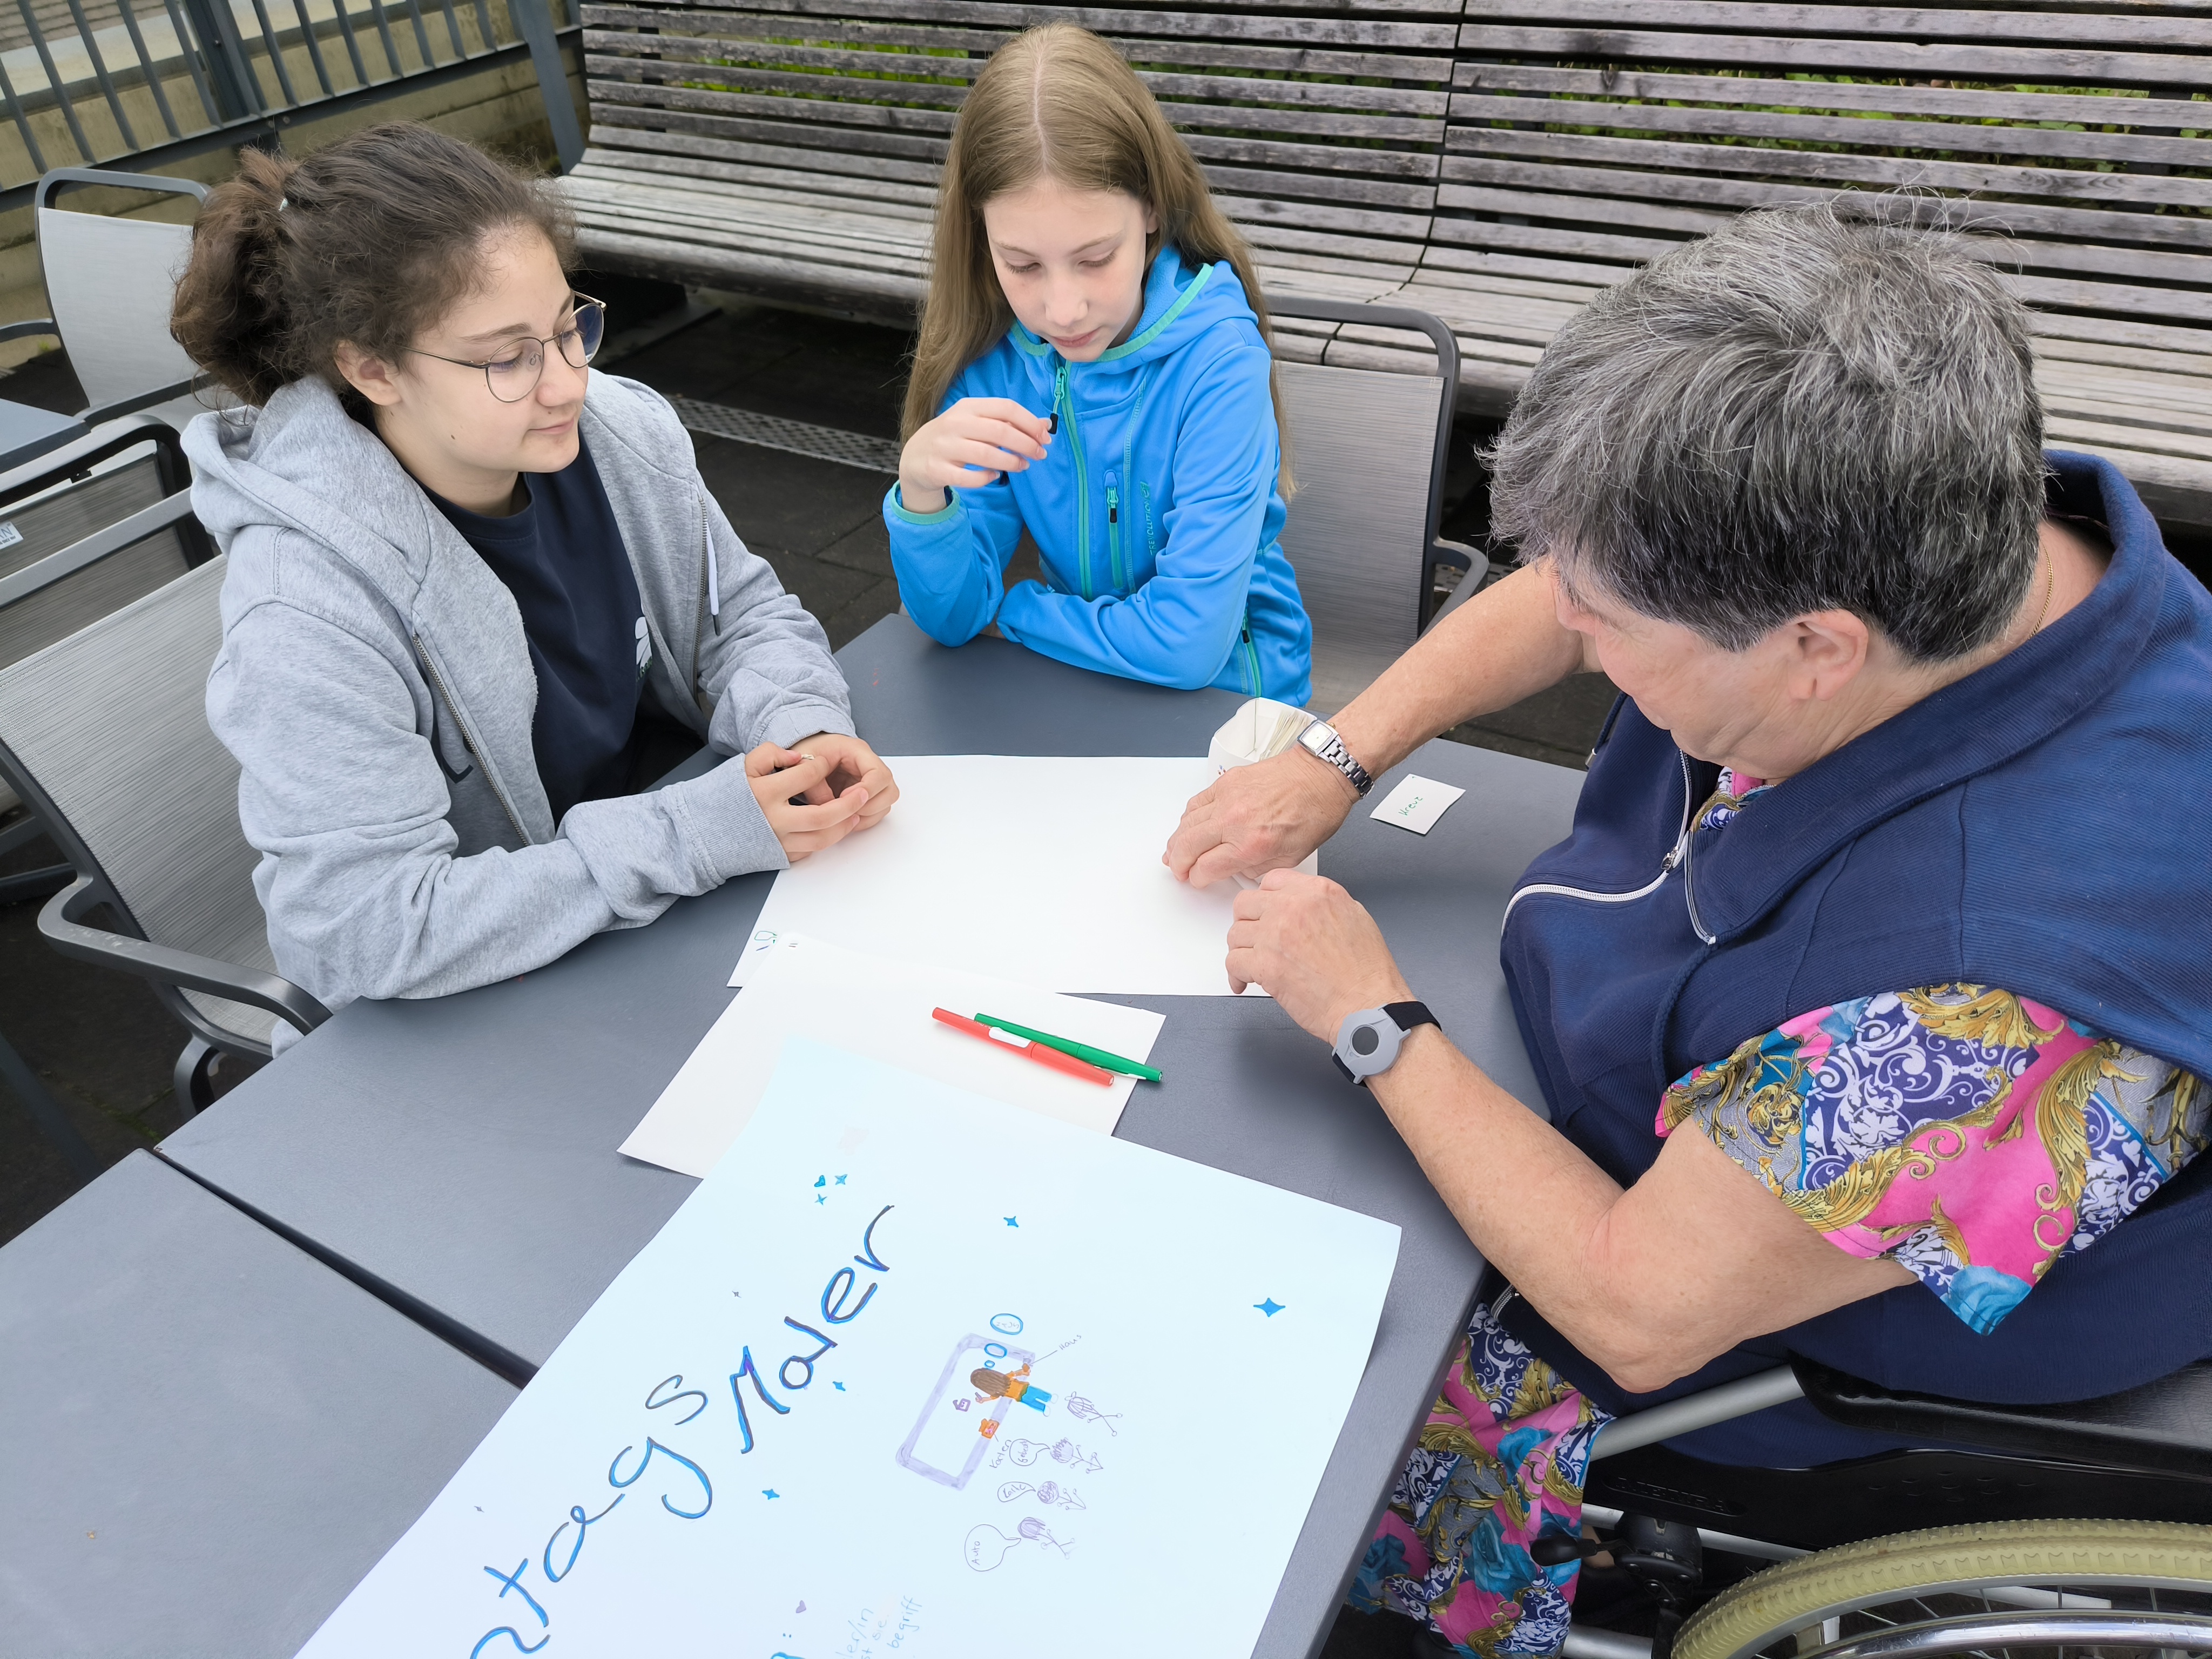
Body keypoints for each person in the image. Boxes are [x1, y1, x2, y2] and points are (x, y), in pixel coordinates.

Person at [1163, 206, 2212, 1657]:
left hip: (1774, 1313)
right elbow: (1581, 581)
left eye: (1608, 626)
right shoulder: (1936, 514)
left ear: (1817, 649)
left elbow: (1637, 1304)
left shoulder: (1979, 1007)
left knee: (1298, 1395)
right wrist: (1338, 756)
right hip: (1676, 1031)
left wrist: (1370, 1015)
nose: (1571, 630)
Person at [173, 124, 897, 1047]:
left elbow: (740, 616)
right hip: (485, 1012)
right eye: (507, 357)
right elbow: (362, 931)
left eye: (566, 329)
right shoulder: (306, 612)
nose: (567, 385)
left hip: (650, 914)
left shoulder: (621, 436)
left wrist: (800, 727)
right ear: (372, 368)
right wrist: (691, 833)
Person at [884, 23, 1313, 703]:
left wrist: (1016, 611)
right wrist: (921, 497)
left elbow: (1187, 648)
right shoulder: (992, 360)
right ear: (981, 237)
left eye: (1095, 258)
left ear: (1152, 207)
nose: (1063, 311)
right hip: (1086, 684)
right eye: (1022, 265)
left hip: (1234, 711)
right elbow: (953, 617)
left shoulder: (1220, 362)